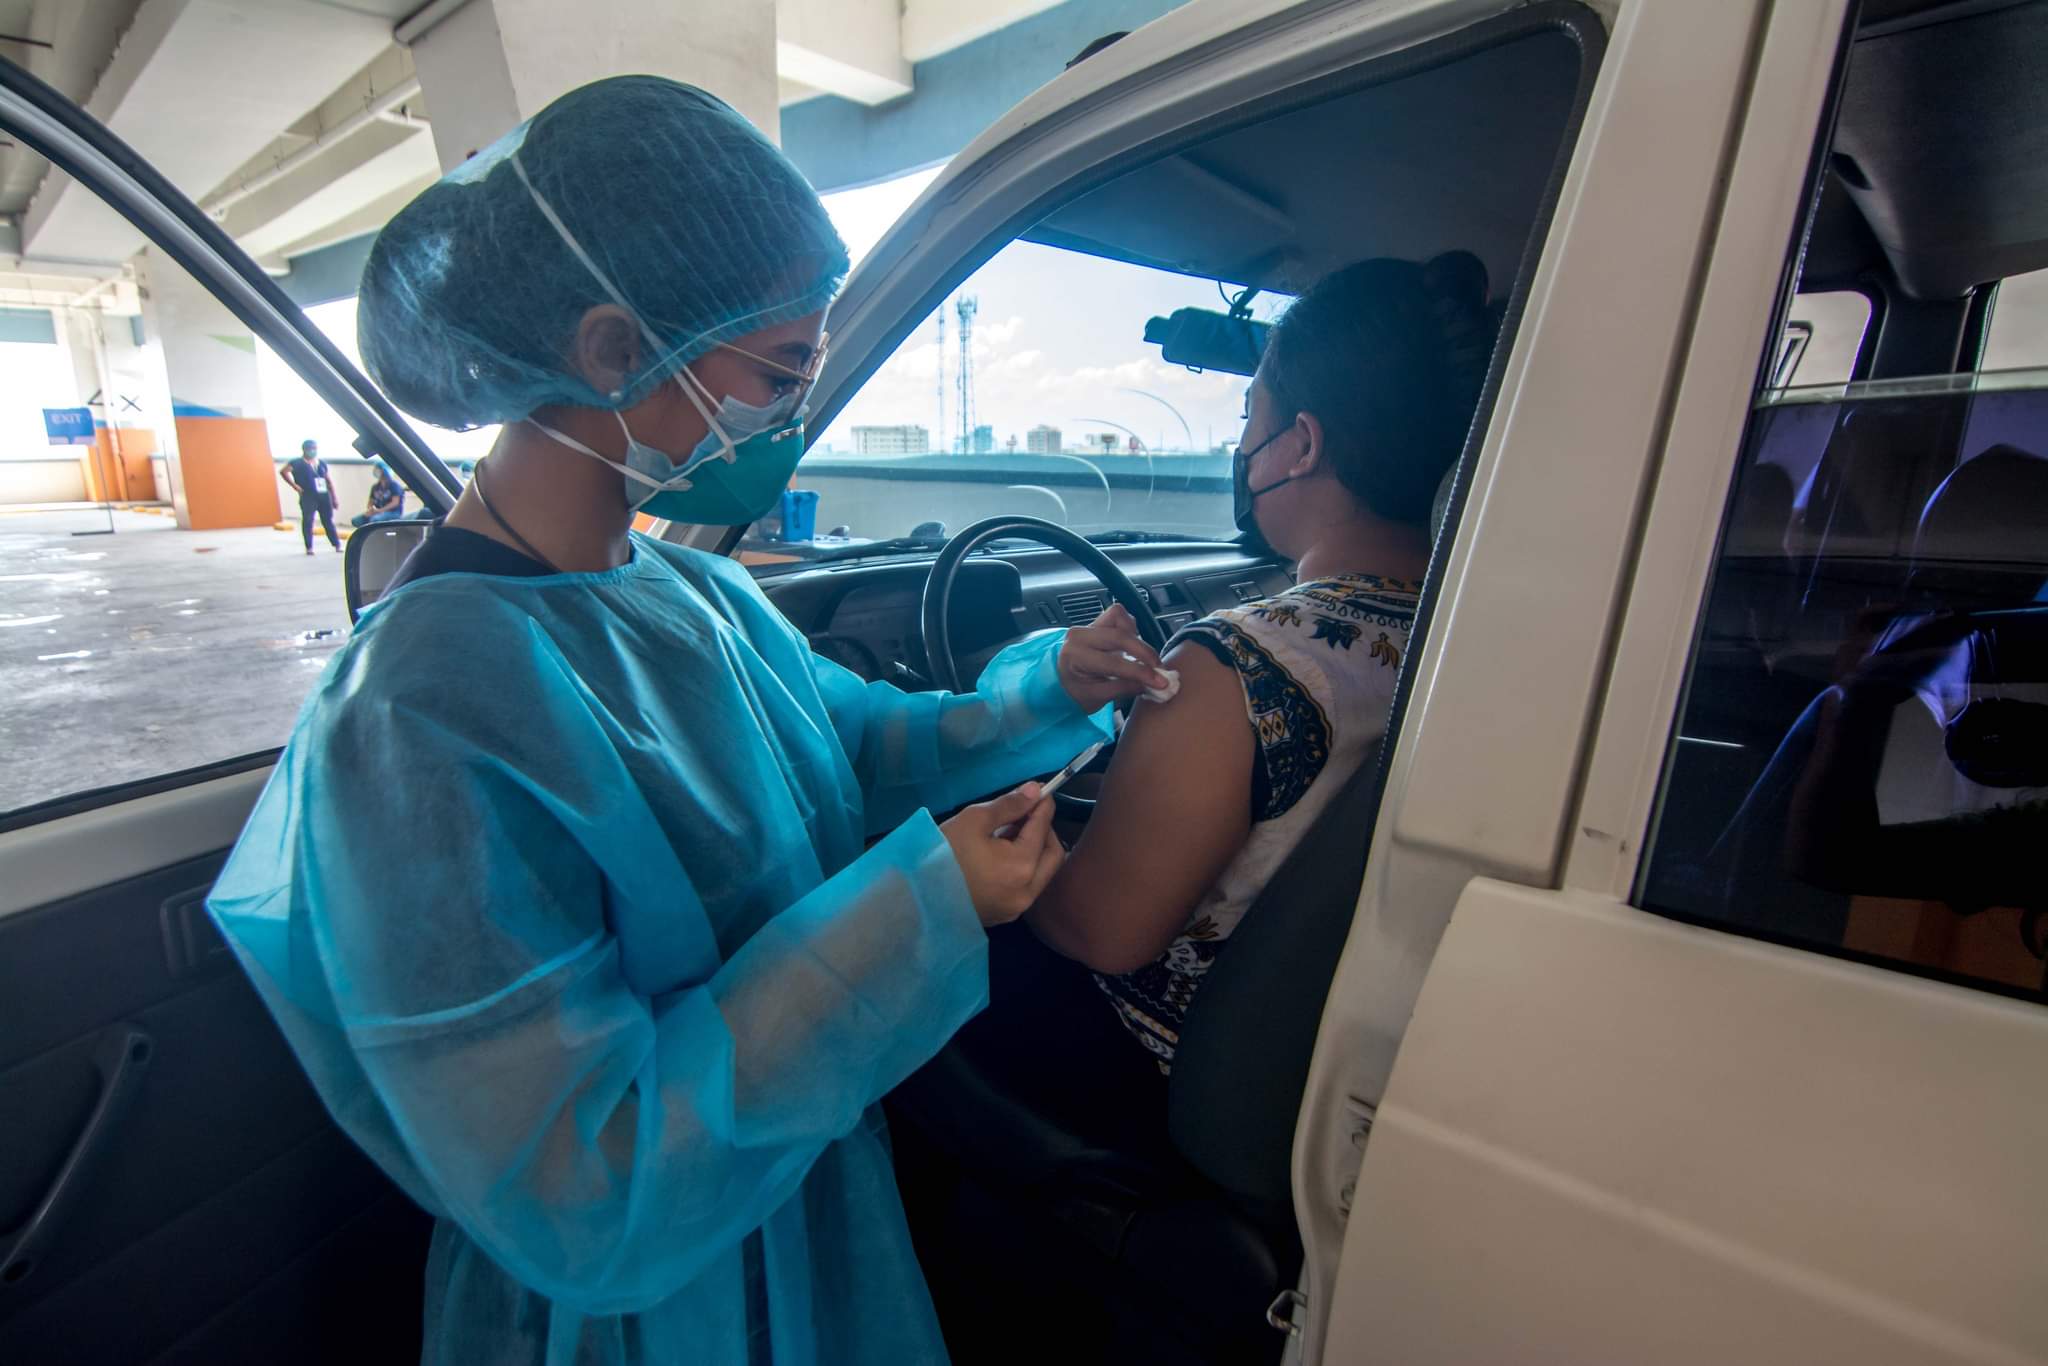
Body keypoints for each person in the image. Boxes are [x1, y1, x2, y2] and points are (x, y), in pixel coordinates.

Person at [204, 77, 1168, 1366]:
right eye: (777, 370)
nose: (793, 413)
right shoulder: (420, 711)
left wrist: (1044, 691)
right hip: (636, 1316)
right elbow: (576, 1185)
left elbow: (852, 748)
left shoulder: (693, 590)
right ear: (610, 350)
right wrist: (919, 908)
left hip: (798, 1211)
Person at [1017, 253, 1496, 1086]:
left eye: (1251, 421)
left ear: (1301, 445)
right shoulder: (1476, 629)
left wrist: (1009, 854)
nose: (1244, 451)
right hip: (1347, 1048)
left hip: (1178, 1073)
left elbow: (1105, 931)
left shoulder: (1238, 661)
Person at [281, 438, 340, 554]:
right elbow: (283, 471)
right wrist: (294, 485)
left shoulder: (321, 463)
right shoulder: (297, 462)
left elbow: (328, 480)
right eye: (310, 449)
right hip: (308, 495)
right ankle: (309, 547)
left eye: (315, 448)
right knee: (308, 520)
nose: (313, 451)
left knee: (327, 520)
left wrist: (334, 497)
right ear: (304, 449)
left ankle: (336, 544)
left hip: (323, 495)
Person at [352, 459, 406, 526]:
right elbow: (370, 502)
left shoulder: (394, 485)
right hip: (377, 512)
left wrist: (380, 511)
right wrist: (371, 510)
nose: (375, 471)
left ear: (384, 471)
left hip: (393, 513)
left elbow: (395, 503)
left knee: (375, 520)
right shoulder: (375, 487)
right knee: (356, 521)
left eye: (378, 469)